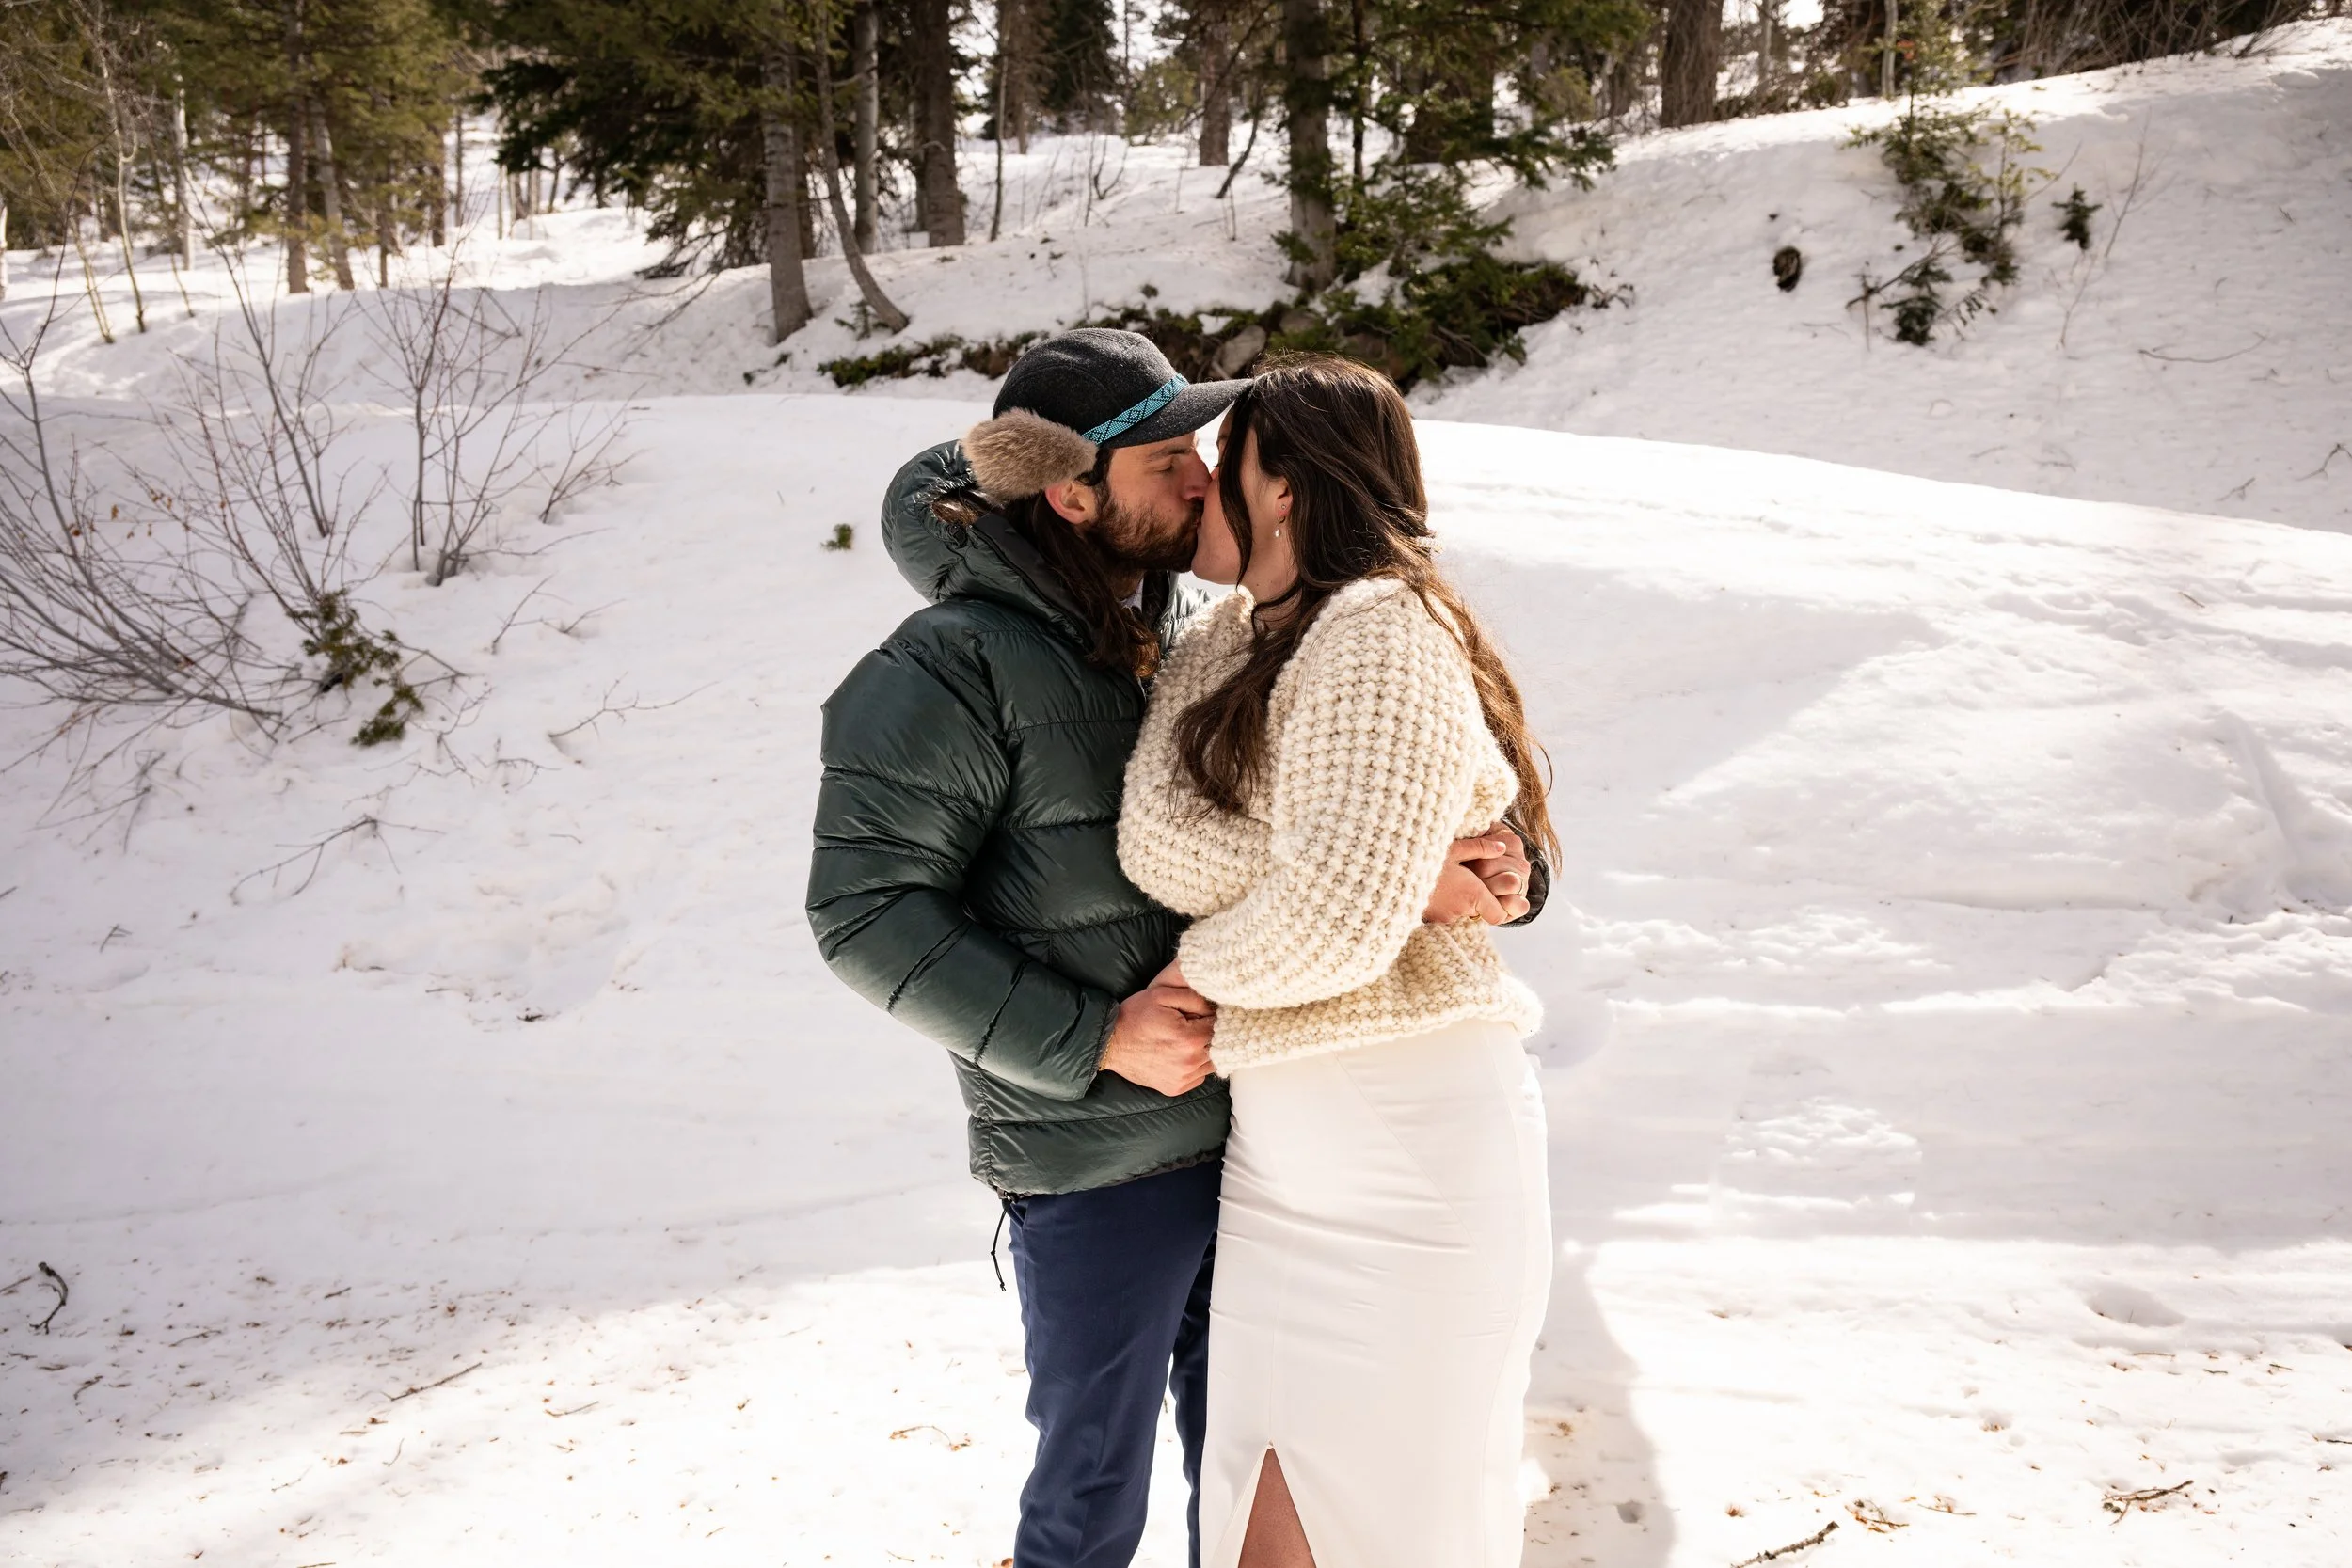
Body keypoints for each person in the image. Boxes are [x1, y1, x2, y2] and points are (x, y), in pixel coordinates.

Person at [806, 329, 1545, 1568]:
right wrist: (1096, 1035)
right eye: (1166, 458)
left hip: (1255, 1128)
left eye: (1208, 452)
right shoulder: (950, 664)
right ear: (1071, 491)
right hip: (1102, 1145)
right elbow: (866, 915)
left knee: (1256, 1486)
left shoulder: (1193, 628)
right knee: (1092, 1490)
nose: (1199, 476)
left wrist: (1419, 872)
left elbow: (1365, 810)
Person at [1117, 355, 1558, 1568]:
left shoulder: (1380, 629)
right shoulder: (1223, 642)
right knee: (1262, 1528)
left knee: (1376, 1536)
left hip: (1415, 1159)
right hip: (1281, 1177)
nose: (1201, 482)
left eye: (1230, 456)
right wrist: (1391, 874)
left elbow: (1332, 925)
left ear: (1290, 488)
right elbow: (1156, 847)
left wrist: (1203, 972)